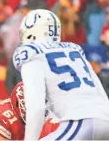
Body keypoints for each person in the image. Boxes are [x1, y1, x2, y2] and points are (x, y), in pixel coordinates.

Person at [13, 9, 109, 140]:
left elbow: (37, 107)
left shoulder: (32, 52)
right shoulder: (74, 50)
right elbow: (101, 93)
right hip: (105, 121)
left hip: (78, 121)